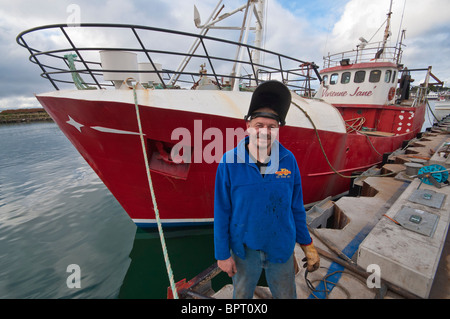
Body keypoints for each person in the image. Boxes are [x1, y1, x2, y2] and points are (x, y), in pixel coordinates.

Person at [214, 80, 320, 299]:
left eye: (272, 127)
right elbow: (222, 211)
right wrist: (222, 254)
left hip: (280, 246)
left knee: (286, 295)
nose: (265, 131)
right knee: (241, 295)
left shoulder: (288, 160)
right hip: (244, 249)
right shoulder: (229, 161)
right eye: (259, 125)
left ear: (278, 129)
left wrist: (307, 244)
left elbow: (296, 207)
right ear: (248, 126)